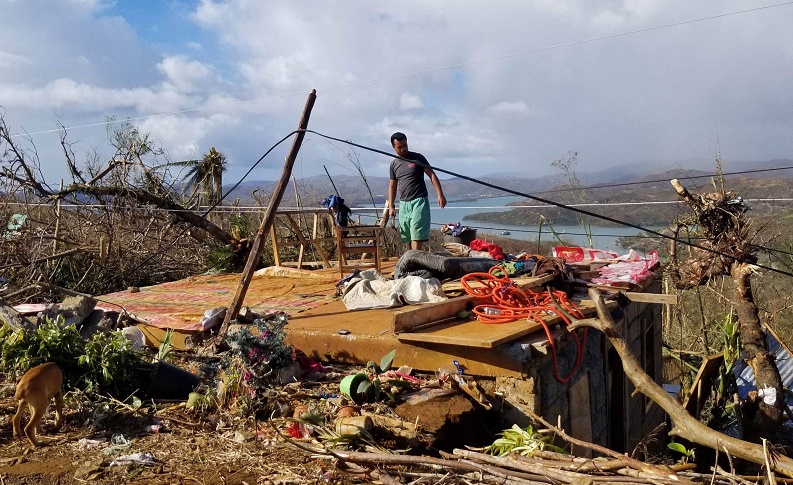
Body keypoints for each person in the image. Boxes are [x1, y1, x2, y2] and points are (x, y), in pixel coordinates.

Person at [387, 132, 447, 250]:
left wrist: (440, 195)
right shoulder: (394, 165)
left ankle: (416, 261)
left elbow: (432, 175)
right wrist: (391, 206)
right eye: (400, 147)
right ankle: (410, 260)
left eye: (405, 145)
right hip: (404, 203)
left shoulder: (417, 158)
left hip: (419, 200)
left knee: (416, 232)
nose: (403, 148)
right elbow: (392, 187)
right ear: (394, 148)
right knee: (407, 234)